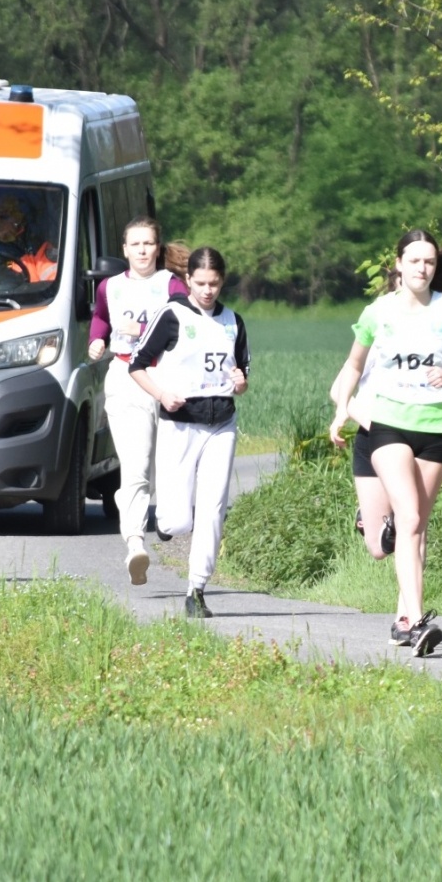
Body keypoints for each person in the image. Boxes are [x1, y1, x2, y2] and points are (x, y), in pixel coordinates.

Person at [328, 230, 442, 656]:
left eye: (430, 262)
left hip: (437, 428)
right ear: (398, 264)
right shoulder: (377, 312)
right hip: (388, 423)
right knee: (408, 518)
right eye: (415, 260)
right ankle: (417, 621)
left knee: (416, 523)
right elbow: (353, 364)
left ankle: (404, 620)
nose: (422, 269)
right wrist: (341, 410)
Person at [128, 246, 250, 619]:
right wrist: (163, 393)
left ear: (222, 282)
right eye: (200, 283)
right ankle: (164, 524)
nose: (208, 291)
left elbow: (243, 375)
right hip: (180, 424)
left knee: (212, 508)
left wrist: (241, 382)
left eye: (214, 283)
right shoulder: (173, 315)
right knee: (177, 521)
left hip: (221, 425)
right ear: (187, 281)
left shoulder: (234, 321)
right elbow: (137, 365)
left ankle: (196, 589)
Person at [87, 217, 190, 584]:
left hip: (166, 378)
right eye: (136, 244)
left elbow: (186, 326)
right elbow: (100, 318)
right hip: (126, 378)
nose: (143, 251)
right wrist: (96, 341)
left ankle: (160, 516)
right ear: (124, 249)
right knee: (135, 466)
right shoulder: (110, 287)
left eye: (149, 244)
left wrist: (144, 330)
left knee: (166, 461)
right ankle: (134, 543)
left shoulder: (171, 284)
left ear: (157, 249)